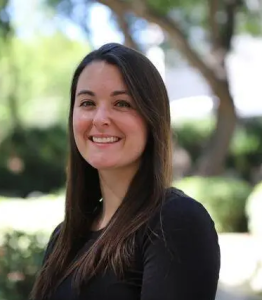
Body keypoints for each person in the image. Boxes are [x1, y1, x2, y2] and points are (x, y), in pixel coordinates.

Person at [30, 43, 220, 300]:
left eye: (121, 103)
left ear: (151, 118)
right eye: (87, 102)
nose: (100, 119)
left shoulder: (175, 222)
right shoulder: (63, 238)